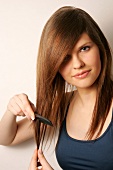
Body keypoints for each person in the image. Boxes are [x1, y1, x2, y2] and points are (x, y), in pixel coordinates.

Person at [0, 5, 113, 169]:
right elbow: (7, 138)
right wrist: (11, 109)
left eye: (84, 48)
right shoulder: (62, 105)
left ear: (100, 48)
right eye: (65, 57)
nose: (78, 64)